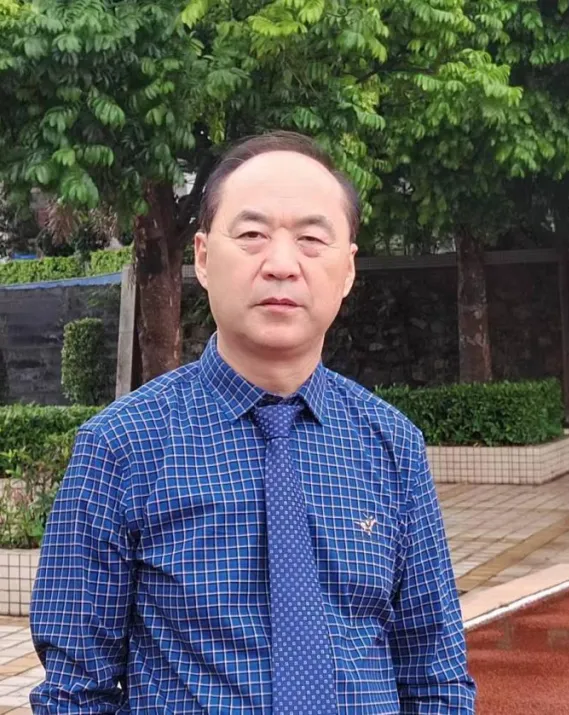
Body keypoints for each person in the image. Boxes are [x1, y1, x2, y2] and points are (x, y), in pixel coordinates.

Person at [30, 131, 476, 714]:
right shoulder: (121, 447)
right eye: (252, 235)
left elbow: (435, 675)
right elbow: (74, 693)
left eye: (312, 239)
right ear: (203, 257)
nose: (282, 265)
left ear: (347, 269)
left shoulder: (392, 445)